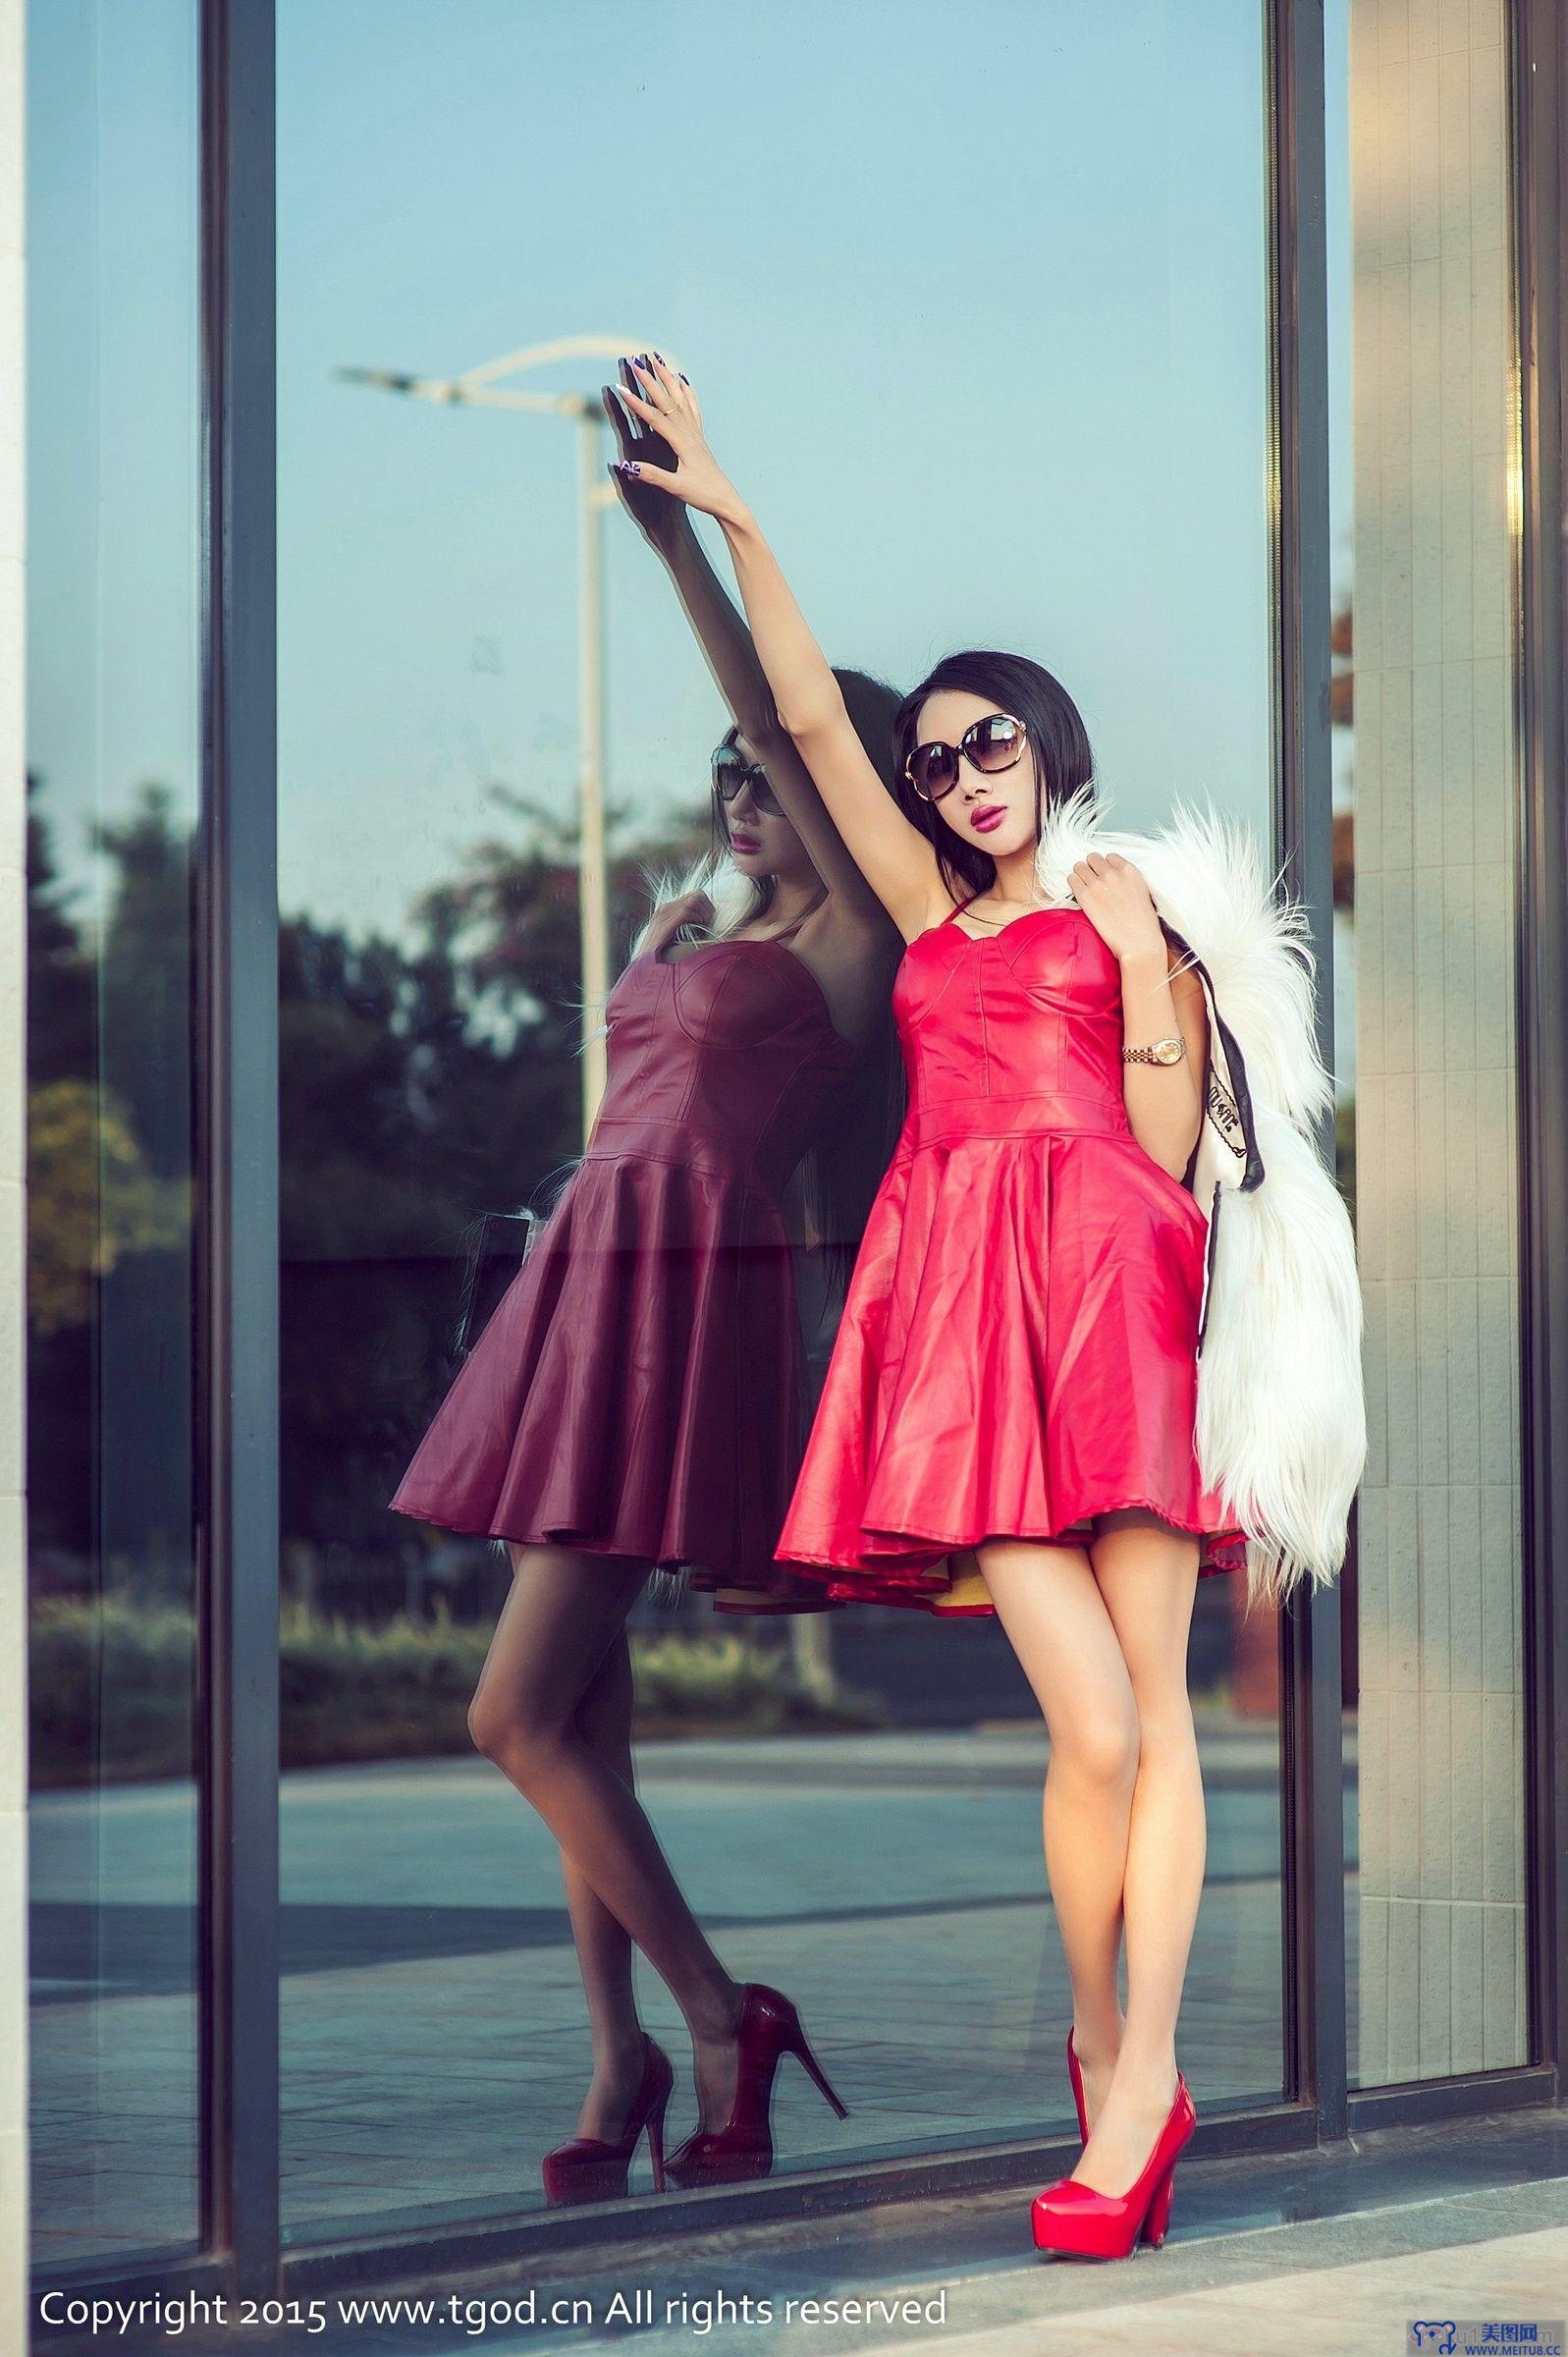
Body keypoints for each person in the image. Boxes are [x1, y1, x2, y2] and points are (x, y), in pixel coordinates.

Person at [608, 349, 1363, 2259]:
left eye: (983, 743)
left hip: (1110, 1289)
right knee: (1084, 1730)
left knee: (1153, 1731)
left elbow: (1172, 1144)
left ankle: (1134, 2083)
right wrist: (727, 512)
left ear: (1049, 746)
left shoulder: (1121, 904)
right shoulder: (926, 916)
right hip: (962, 1300)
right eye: (933, 755)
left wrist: (1196, 1294)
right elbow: (796, 711)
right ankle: (1117, 2055)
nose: (954, 774)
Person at [386, 417, 904, 2199]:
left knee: (511, 1717)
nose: (743, 794)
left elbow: (782, 718)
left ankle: (714, 2012)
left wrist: (677, 542)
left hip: (684, 1297)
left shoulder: (863, 942)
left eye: (766, 778)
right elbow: (624, 1112)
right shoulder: (711, 927)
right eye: (729, 781)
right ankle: (615, 2059)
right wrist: (650, 962)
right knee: (581, 1717)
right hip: (589, 1280)